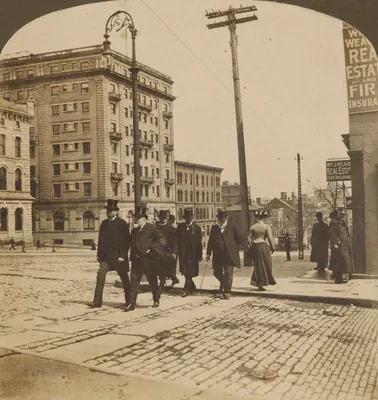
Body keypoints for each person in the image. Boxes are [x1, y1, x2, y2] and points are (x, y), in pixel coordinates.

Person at [87, 199, 131, 308]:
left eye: (111, 210)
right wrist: (99, 254)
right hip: (105, 258)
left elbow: (127, 241)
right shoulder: (104, 223)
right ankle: (97, 301)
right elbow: (101, 240)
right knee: (100, 276)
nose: (109, 212)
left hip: (118, 258)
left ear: (116, 211)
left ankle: (129, 301)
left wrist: (122, 255)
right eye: (108, 210)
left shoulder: (122, 223)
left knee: (124, 279)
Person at [125, 205, 161, 311]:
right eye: (136, 218)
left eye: (138, 219)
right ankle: (132, 303)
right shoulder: (134, 231)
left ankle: (156, 298)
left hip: (148, 261)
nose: (136, 220)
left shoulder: (151, 228)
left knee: (152, 281)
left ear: (144, 219)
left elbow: (159, 240)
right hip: (136, 261)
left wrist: (151, 250)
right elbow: (131, 244)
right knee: (134, 282)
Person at [206, 209, 241, 299]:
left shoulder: (232, 227)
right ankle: (223, 282)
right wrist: (208, 253)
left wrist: (232, 248)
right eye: (220, 220)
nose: (222, 221)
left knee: (228, 273)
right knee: (216, 272)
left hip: (229, 255)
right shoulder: (214, 228)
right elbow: (210, 242)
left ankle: (227, 291)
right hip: (217, 255)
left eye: (223, 220)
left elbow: (238, 239)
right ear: (218, 219)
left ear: (226, 219)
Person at [177, 207, 203, 297]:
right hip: (183, 253)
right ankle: (192, 286)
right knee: (185, 271)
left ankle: (186, 289)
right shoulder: (180, 227)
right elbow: (177, 241)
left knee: (190, 271)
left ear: (192, 218)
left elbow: (199, 242)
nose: (188, 220)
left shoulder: (197, 228)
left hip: (193, 253)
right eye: (186, 218)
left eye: (190, 218)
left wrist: (199, 255)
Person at [248, 210, 276, 291]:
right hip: (263, 247)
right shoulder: (266, 227)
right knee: (266, 264)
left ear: (256, 218)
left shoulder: (252, 227)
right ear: (263, 218)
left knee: (258, 266)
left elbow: (249, 238)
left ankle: (259, 283)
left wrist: (251, 245)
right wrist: (273, 247)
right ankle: (264, 281)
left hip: (255, 247)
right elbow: (270, 238)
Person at [329, 209, 354, 283]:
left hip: (346, 244)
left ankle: (347, 276)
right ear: (338, 215)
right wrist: (337, 241)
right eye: (341, 215)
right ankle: (339, 278)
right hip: (339, 245)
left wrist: (349, 240)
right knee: (339, 261)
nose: (343, 216)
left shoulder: (343, 223)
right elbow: (331, 233)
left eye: (343, 215)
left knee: (346, 261)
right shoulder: (334, 223)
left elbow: (346, 233)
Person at [155, 210, 179, 291]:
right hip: (158, 252)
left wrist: (174, 253)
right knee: (160, 268)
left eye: (164, 218)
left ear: (166, 218)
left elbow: (174, 242)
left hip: (168, 252)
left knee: (169, 269)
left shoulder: (171, 229)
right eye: (161, 218)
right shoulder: (157, 228)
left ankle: (164, 284)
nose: (162, 220)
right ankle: (164, 283)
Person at [328, 210, 338, 277]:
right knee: (335, 257)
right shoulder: (334, 222)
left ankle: (335, 271)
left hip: (334, 242)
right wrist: (335, 241)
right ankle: (335, 272)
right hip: (335, 243)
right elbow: (331, 232)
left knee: (334, 257)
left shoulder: (333, 222)